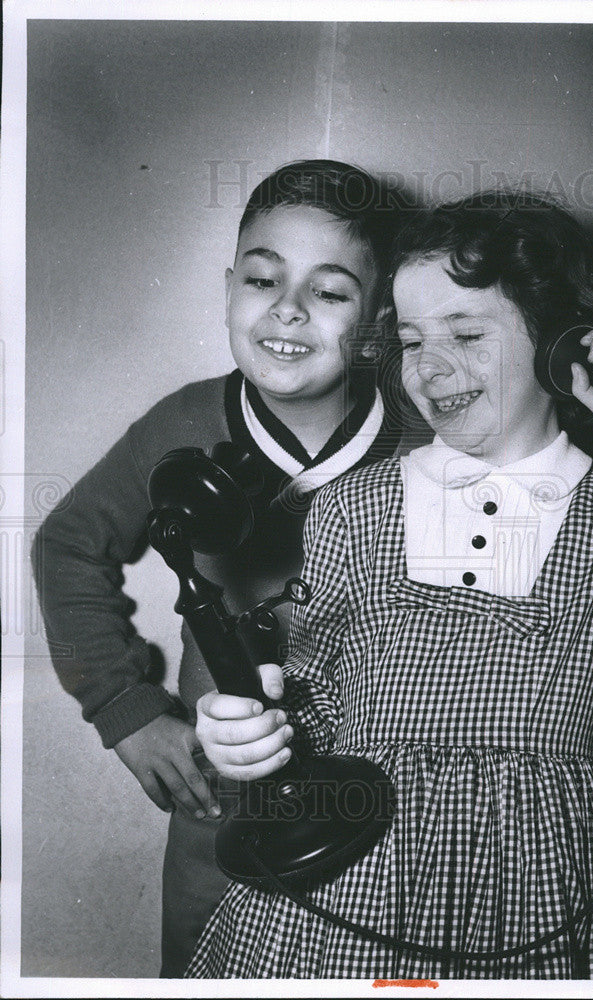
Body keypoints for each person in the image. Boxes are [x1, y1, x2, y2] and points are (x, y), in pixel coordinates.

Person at [186, 190, 593, 979]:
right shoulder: (353, 505)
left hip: (550, 873)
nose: (429, 365)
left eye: (466, 333)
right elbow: (314, 699)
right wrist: (254, 735)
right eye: (409, 340)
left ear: (558, 344)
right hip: (356, 863)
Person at [32, 159, 408, 977]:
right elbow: (66, 545)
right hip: (224, 804)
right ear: (228, 284)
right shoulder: (185, 423)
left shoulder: (425, 437)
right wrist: (124, 707)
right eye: (263, 278)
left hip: (390, 801)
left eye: (331, 292)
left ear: (379, 317)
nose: (288, 309)